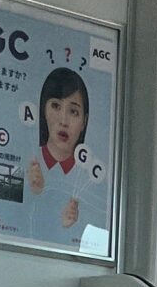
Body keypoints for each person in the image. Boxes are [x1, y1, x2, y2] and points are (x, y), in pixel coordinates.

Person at [25, 67, 106, 249]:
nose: (63, 120)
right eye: (55, 106)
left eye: (73, 112)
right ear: (43, 110)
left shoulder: (97, 186)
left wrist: (72, 224)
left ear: (84, 121)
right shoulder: (26, 163)